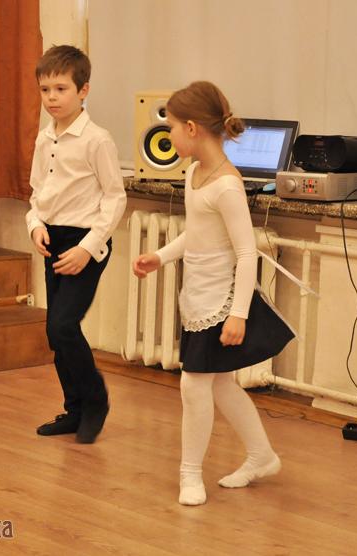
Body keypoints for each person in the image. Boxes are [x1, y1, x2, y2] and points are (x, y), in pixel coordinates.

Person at [132, 81, 282, 505]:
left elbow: (247, 253)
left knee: (194, 385)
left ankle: (190, 474)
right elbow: (196, 235)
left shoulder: (227, 186)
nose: (169, 135)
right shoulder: (195, 174)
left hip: (220, 303)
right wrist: (160, 256)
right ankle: (262, 456)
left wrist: (238, 314)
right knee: (221, 386)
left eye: (172, 127)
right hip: (198, 298)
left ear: (192, 128)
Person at [26, 45, 126, 444]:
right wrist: (35, 225)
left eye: (61, 89)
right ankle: (75, 410)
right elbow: (38, 194)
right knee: (56, 334)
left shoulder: (97, 140)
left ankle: (96, 400)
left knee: (63, 325)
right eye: (45, 90)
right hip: (53, 240)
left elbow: (115, 198)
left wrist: (88, 247)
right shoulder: (43, 139)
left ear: (83, 91)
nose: (52, 97)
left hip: (86, 243)